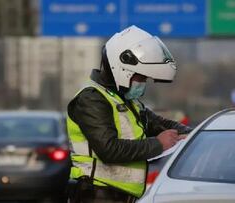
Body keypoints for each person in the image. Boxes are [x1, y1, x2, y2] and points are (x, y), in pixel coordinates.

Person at [66, 25, 192, 203]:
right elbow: (108, 149)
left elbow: (159, 123)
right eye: (140, 77)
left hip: (120, 196)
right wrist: (158, 144)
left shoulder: (125, 99)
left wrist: (194, 135)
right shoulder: (91, 99)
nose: (143, 83)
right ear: (122, 70)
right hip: (96, 195)